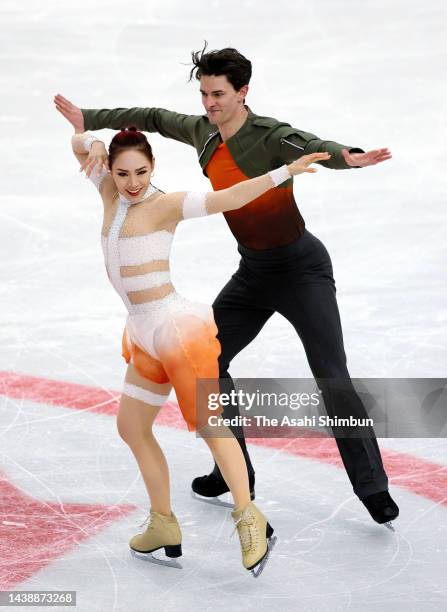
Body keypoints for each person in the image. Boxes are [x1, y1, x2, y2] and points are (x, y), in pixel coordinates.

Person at [53, 43, 399, 529]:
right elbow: (150, 116)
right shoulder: (202, 133)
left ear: (243, 93)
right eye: (204, 94)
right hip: (254, 272)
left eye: (218, 94)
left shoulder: (269, 135)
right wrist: (89, 116)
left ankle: (373, 488)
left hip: (302, 270)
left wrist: (350, 157)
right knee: (209, 363)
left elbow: (313, 144)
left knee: (330, 372)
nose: (209, 103)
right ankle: (233, 470)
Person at [55, 108, 329, 575]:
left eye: (141, 171)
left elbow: (230, 197)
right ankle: (163, 522)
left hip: (176, 329)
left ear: (153, 167)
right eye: (123, 173)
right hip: (142, 330)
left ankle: (251, 519)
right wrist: (91, 143)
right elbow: (78, 146)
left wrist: (283, 172)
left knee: (210, 426)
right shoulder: (108, 191)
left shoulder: (165, 204)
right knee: (132, 426)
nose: (133, 182)